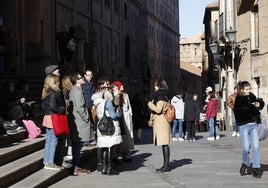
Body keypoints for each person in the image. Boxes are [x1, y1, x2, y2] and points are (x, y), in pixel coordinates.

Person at [234, 81, 265, 178]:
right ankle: (245, 163)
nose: (248, 91)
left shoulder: (251, 96)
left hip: (253, 125)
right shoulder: (238, 99)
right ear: (242, 90)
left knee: (256, 147)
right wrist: (251, 106)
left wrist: (259, 104)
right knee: (246, 148)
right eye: (246, 89)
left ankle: (256, 169)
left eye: (249, 89)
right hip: (243, 126)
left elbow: (260, 104)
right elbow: (240, 114)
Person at [91, 83, 122, 175]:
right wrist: (118, 114)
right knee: (111, 147)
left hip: (101, 126)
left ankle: (104, 169)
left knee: (104, 147)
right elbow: (112, 115)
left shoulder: (98, 102)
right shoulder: (107, 102)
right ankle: (110, 168)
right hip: (110, 126)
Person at [68, 72, 94, 175]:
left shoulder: (76, 90)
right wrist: (86, 118)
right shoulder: (77, 91)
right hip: (80, 121)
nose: (83, 78)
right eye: (81, 78)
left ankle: (76, 165)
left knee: (77, 144)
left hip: (78, 120)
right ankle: (76, 166)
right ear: (77, 80)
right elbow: (79, 107)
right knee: (78, 144)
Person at [147, 78, 172, 172]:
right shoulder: (163, 95)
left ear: (159, 86)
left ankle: (166, 166)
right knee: (164, 144)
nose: (154, 86)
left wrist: (149, 103)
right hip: (162, 121)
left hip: (162, 122)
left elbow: (158, 109)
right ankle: (166, 164)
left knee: (165, 144)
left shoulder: (161, 96)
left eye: (156, 85)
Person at [41, 74, 65, 170]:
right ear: (54, 82)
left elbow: (44, 106)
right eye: (58, 81)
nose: (59, 83)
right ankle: (50, 163)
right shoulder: (54, 92)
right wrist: (62, 109)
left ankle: (46, 161)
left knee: (48, 141)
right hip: (53, 118)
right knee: (53, 141)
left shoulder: (46, 91)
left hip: (47, 116)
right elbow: (53, 106)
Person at [112, 81, 134, 162]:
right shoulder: (114, 95)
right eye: (121, 85)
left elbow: (129, 107)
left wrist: (130, 115)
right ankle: (115, 155)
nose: (123, 86)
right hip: (119, 117)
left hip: (126, 117)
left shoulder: (125, 95)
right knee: (118, 135)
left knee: (127, 136)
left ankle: (127, 154)